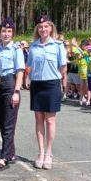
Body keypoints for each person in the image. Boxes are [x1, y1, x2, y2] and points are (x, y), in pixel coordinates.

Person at [26, 15, 67, 170]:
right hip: (37, 84)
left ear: (51, 28)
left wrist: (62, 83)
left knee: (50, 120)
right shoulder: (33, 46)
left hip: (52, 84)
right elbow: (29, 66)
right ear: (38, 29)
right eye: (40, 27)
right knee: (38, 119)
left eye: (46, 26)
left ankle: (49, 152)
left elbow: (63, 67)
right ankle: (41, 152)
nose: (43, 29)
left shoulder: (58, 46)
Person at [0, 17, 25, 171]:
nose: (6, 34)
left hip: (9, 85)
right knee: (2, 122)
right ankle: (11, 153)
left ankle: (4, 157)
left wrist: (16, 91)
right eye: (4, 31)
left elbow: (20, 72)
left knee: (9, 123)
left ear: (13, 33)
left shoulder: (16, 49)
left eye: (9, 31)